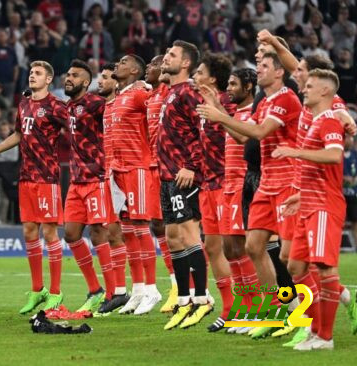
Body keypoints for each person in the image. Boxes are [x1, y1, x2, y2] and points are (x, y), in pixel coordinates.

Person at [197, 52, 302, 334]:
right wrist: (219, 110)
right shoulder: (265, 102)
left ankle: (311, 307)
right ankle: (271, 310)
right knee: (252, 247)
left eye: (265, 66)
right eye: (259, 65)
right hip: (266, 183)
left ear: (279, 72)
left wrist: (220, 114)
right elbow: (244, 136)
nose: (259, 70)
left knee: (291, 259)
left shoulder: (286, 98)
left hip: (287, 182)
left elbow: (260, 132)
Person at [273, 69, 357, 351]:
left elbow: (335, 155)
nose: (304, 89)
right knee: (295, 266)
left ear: (325, 91)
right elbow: (317, 170)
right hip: (308, 204)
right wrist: (299, 197)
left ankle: (324, 337)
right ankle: (315, 330)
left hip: (324, 206)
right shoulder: (315, 121)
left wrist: (295, 152)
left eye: (310, 86)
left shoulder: (329, 121)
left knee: (324, 270)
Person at [0, 61, 67, 314]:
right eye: (31, 72)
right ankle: (37, 289)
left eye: (38, 73)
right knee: (29, 231)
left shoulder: (56, 106)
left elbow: (75, 128)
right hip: (27, 177)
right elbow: (19, 135)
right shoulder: (25, 104)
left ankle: (55, 293)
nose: (32, 75)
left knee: (50, 234)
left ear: (49, 79)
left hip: (47, 177)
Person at [159, 42, 211, 330]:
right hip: (167, 176)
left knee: (189, 234)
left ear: (186, 64)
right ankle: (183, 300)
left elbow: (203, 129)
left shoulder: (189, 92)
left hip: (184, 175)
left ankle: (202, 299)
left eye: (172, 55)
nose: (166, 57)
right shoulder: (171, 92)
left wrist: (191, 166)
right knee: (173, 237)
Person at [109, 54, 161, 315]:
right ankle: (138, 288)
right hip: (119, 170)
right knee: (127, 230)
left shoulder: (141, 94)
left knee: (140, 227)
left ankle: (152, 288)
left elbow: (158, 104)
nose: (116, 65)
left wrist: (152, 87)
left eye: (122, 62)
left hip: (138, 168)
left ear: (133, 70)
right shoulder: (120, 96)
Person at [62, 59, 115, 314]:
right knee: (71, 235)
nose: (68, 78)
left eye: (74, 75)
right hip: (76, 181)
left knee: (98, 234)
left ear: (86, 82)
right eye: (68, 74)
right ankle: (95, 290)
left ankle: (114, 292)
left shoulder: (96, 104)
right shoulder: (68, 107)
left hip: (96, 178)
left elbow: (115, 115)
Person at [192, 52, 237, 332]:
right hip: (208, 184)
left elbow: (242, 134)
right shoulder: (201, 105)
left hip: (226, 183)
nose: (195, 77)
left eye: (200, 72)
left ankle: (256, 306)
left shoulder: (230, 104)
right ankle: (229, 307)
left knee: (237, 250)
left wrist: (220, 109)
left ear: (212, 78)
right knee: (212, 247)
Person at [214, 68, 260, 335]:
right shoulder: (235, 114)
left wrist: (219, 116)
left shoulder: (254, 113)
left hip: (245, 186)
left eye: (233, 84)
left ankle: (258, 308)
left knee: (246, 249)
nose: (229, 88)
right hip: (228, 186)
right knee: (230, 249)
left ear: (249, 86)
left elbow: (246, 139)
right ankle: (244, 307)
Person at [96, 62, 131, 314]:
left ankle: (144, 288)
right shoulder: (102, 108)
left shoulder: (126, 104)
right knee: (112, 232)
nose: (101, 81)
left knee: (129, 231)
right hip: (108, 173)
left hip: (127, 172)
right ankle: (120, 291)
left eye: (106, 78)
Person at [144, 55, 176, 313]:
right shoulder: (150, 96)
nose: (149, 69)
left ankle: (186, 286)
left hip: (171, 167)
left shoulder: (167, 92)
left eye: (152, 65)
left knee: (175, 228)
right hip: (153, 166)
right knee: (158, 226)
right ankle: (177, 284)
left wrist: (166, 64)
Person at [342, 134, 357, 251]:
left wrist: (356, 178)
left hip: (354, 192)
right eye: (348, 139)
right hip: (340, 193)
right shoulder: (337, 153)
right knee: (340, 221)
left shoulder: (356, 154)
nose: (350, 141)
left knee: (356, 220)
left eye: (351, 139)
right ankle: (339, 245)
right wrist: (343, 178)